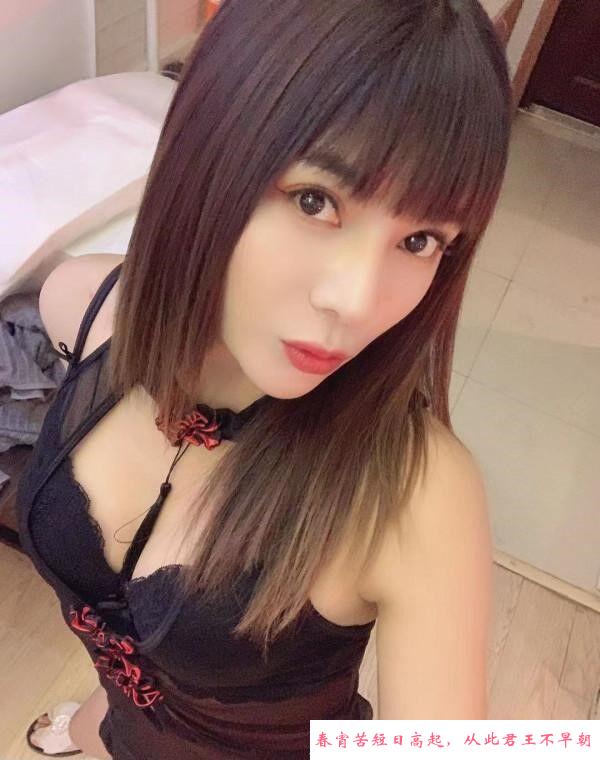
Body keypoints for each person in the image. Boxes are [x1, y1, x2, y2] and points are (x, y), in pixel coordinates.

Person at [18, 0, 512, 757]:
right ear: (204, 152)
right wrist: (106, 715)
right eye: (317, 201)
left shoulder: (418, 494)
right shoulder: (81, 305)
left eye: (419, 240)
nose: (356, 302)